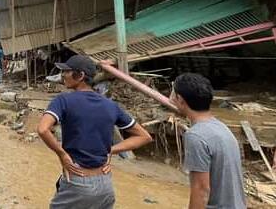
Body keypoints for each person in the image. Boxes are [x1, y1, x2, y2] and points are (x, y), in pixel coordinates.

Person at [37, 55, 152, 209]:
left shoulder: (63, 100)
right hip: (105, 184)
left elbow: (43, 129)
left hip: (78, 182)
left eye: (67, 71)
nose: (63, 75)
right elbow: (144, 136)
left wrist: (62, 154)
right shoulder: (110, 105)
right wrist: (111, 151)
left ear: (80, 76)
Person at [170, 73, 246, 209]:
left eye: (172, 93)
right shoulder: (220, 127)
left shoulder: (196, 136)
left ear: (180, 99)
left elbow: (201, 190)